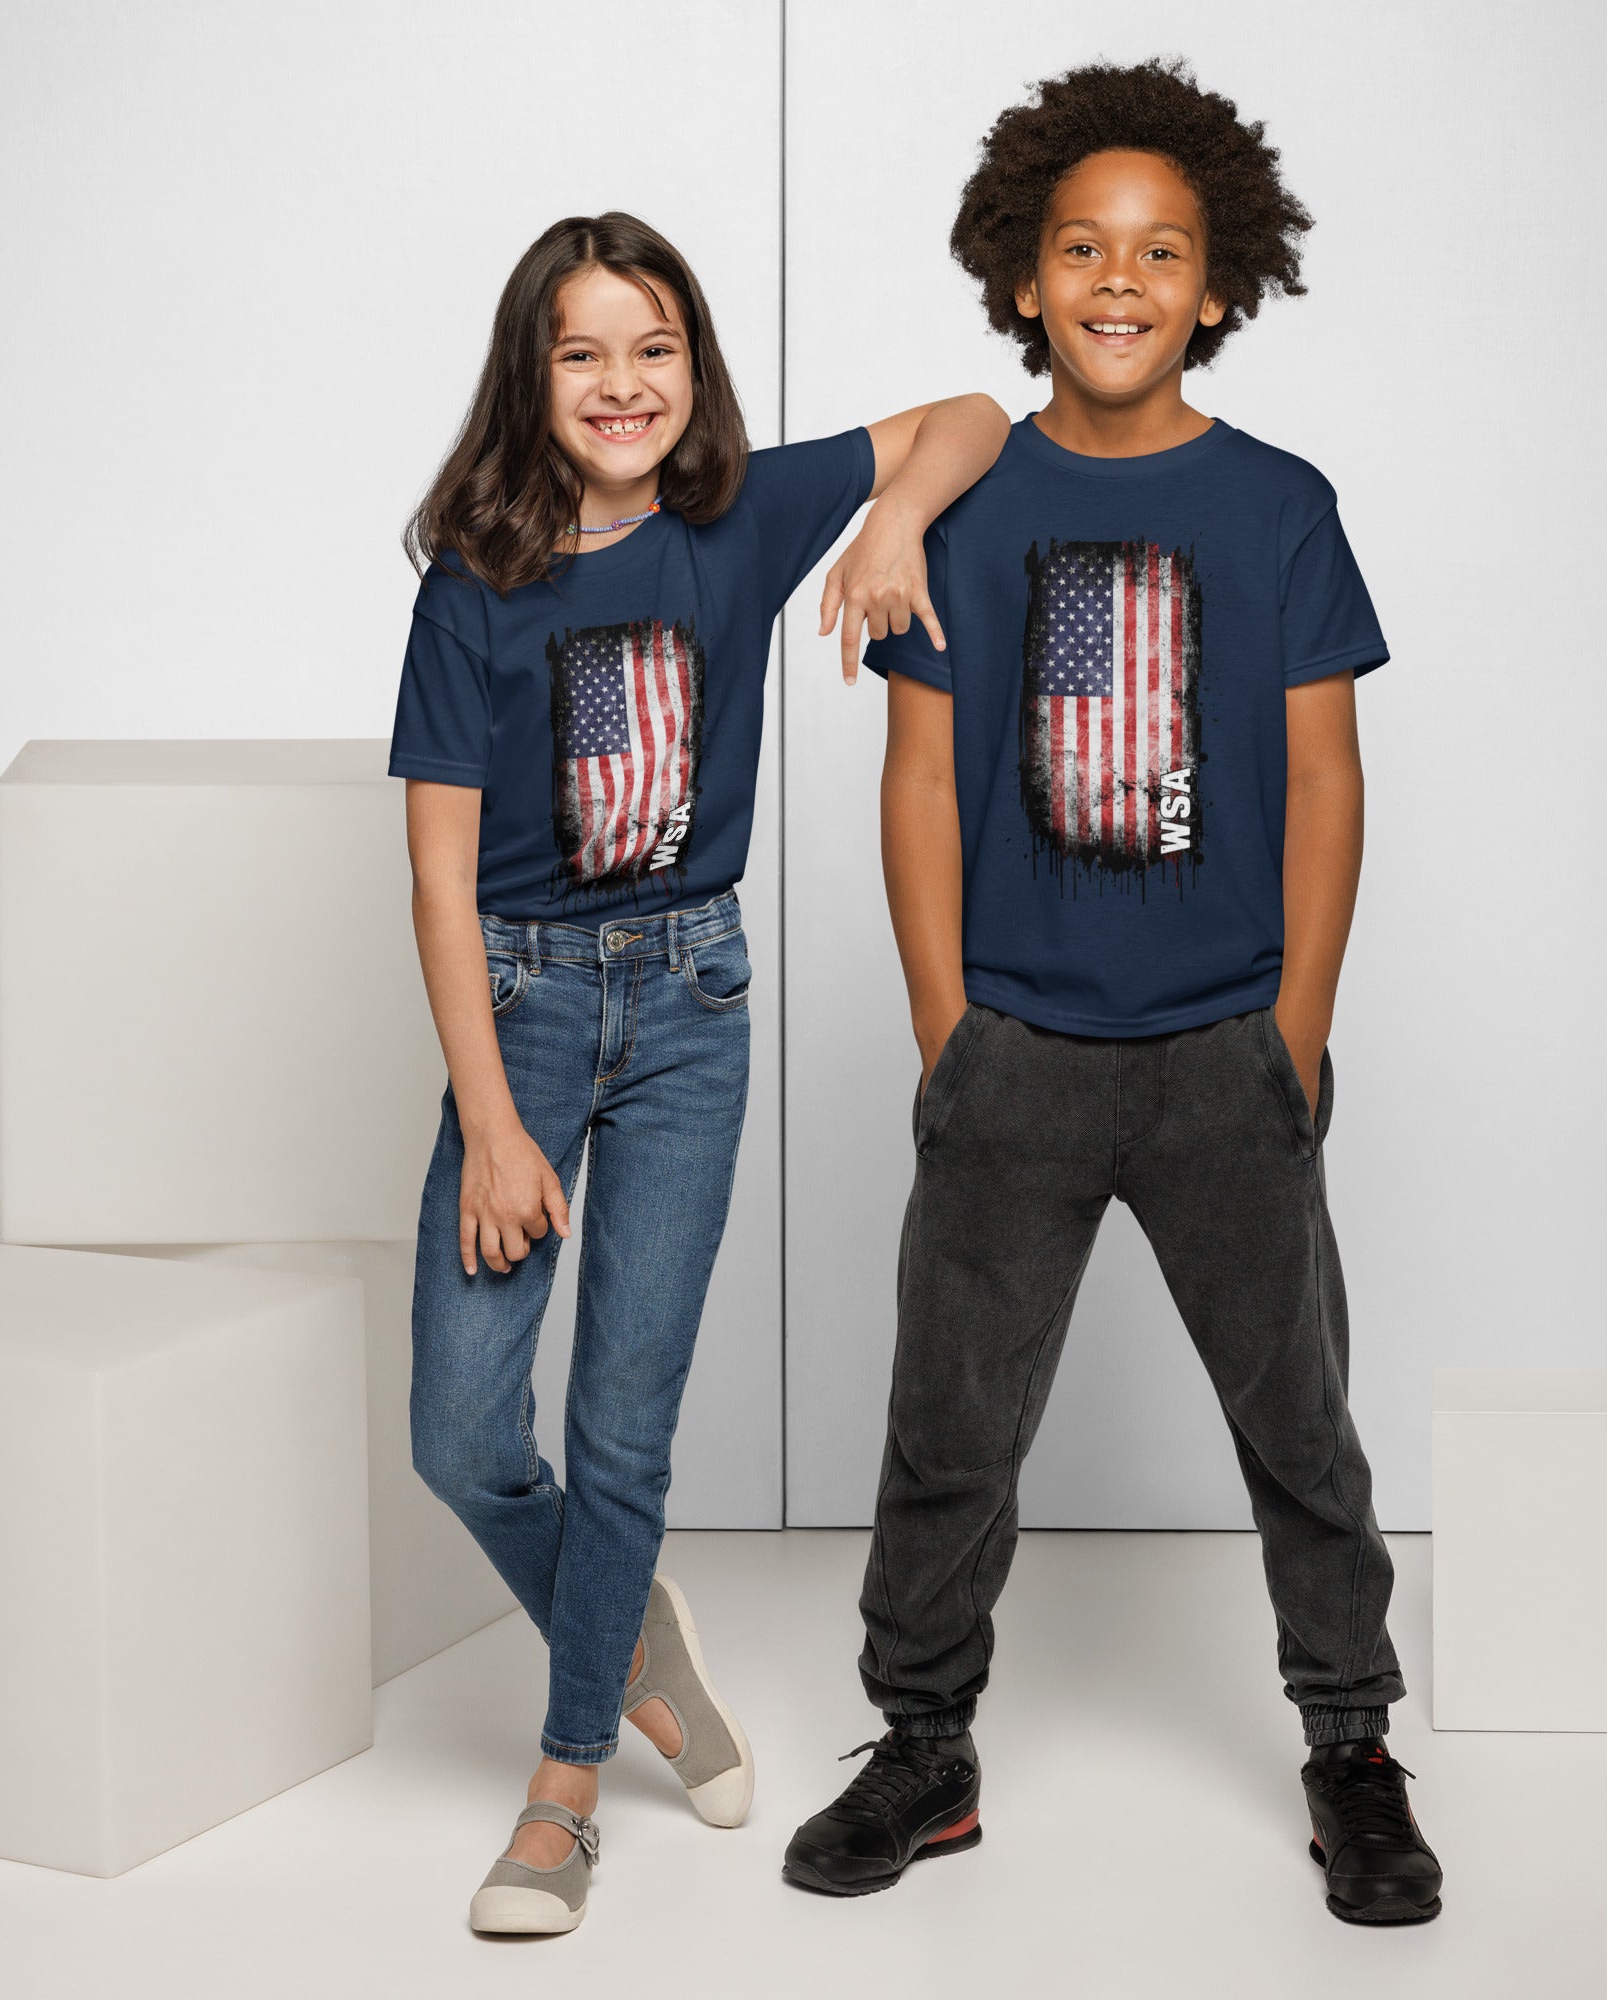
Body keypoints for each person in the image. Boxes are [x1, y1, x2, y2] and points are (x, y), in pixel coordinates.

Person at [782, 62, 1443, 1926]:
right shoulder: (964, 506)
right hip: (1019, 1056)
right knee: (951, 1425)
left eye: (1163, 251)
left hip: (1230, 1045)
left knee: (1300, 1423)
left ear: (1219, 285)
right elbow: (918, 779)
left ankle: (1353, 1747)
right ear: (1022, 279)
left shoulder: (1281, 504)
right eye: (1082, 248)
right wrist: (946, 1027)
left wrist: (1296, 1026)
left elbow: (1325, 775)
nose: (1121, 278)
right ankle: (924, 1747)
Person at [392, 210, 1007, 1937]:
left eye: (652, 347)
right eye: (582, 351)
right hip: (514, 1003)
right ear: (533, 373)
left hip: (688, 1005)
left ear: (695, 364)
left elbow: (971, 416)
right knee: (459, 1425)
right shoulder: (477, 578)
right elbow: (439, 873)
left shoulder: (741, 517)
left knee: (622, 1424)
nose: (622, 383)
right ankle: (635, 1626)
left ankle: (566, 1787)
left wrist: (892, 516)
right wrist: (496, 1126)